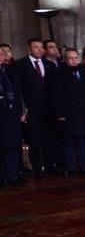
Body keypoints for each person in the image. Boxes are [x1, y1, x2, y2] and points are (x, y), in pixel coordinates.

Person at [50, 48, 85, 175]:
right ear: (65, 59)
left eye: (75, 58)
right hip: (67, 114)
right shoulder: (59, 74)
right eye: (70, 58)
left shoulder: (83, 72)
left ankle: (83, 166)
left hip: (82, 114)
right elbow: (56, 96)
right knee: (67, 142)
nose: (74, 61)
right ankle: (69, 168)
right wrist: (59, 114)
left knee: (82, 141)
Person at [13, 39, 53, 177]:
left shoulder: (49, 65)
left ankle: (49, 165)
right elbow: (17, 89)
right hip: (31, 109)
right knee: (34, 139)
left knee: (48, 138)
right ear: (29, 49)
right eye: (36, 47)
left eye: (41, 47)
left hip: (48, 109)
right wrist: (22, 109)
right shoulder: (19, 65)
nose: (40, 49)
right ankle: (36, 168)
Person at [0, 54, 25, 187]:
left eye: (2, 54)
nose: (1, 56)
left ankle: (12, 175)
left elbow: (17, 91)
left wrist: (20, 110)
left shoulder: (8, 70)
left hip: (11, 114)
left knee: (12, 146)